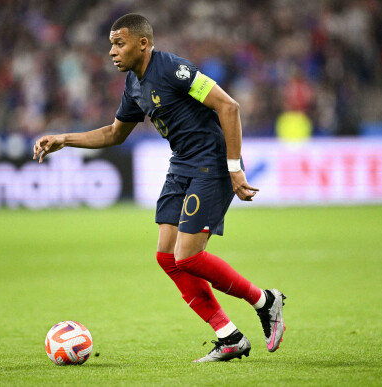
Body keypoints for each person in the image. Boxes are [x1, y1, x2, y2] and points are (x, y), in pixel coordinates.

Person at [33, 13, 286, 362]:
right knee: (167, 256)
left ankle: (264, 300)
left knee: (189, 256)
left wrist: (233, 169)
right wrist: (65, 138)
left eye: (118, 43)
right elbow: (113, 133)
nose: (111, 51)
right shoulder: (134, 85)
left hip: (211, 164)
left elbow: (229, 106)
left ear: (143, 44)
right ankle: (229, 336)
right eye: (110, 44)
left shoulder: (173, 70)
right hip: (181, 164)